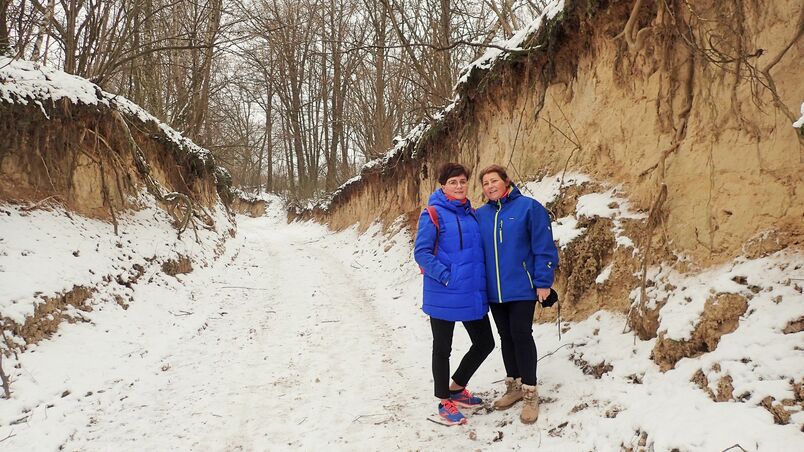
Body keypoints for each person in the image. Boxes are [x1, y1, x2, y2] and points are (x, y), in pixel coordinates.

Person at [475, 164, 559, 425]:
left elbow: (543, 246)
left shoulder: (529, 208)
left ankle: (530, 392)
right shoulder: (481, 215)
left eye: (494, 181)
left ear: (506, 181)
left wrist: (543, 282)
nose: (489, 186)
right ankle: (513, 386)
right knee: (505, 336)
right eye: (485, 183)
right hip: (494, 291)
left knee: (521, 334)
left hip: (522, 287)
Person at [413, 163, 495, 426]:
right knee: (442, 348)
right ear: (443, 186)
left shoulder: (472, 214)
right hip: (444, 293)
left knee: (485, 343)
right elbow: (422, 252)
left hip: (471, 292)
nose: (459, 186)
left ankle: (457, 388)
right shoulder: (433, 213)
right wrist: (448, 276)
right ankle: (443, 401)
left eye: (462, 181)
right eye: (453, 182)